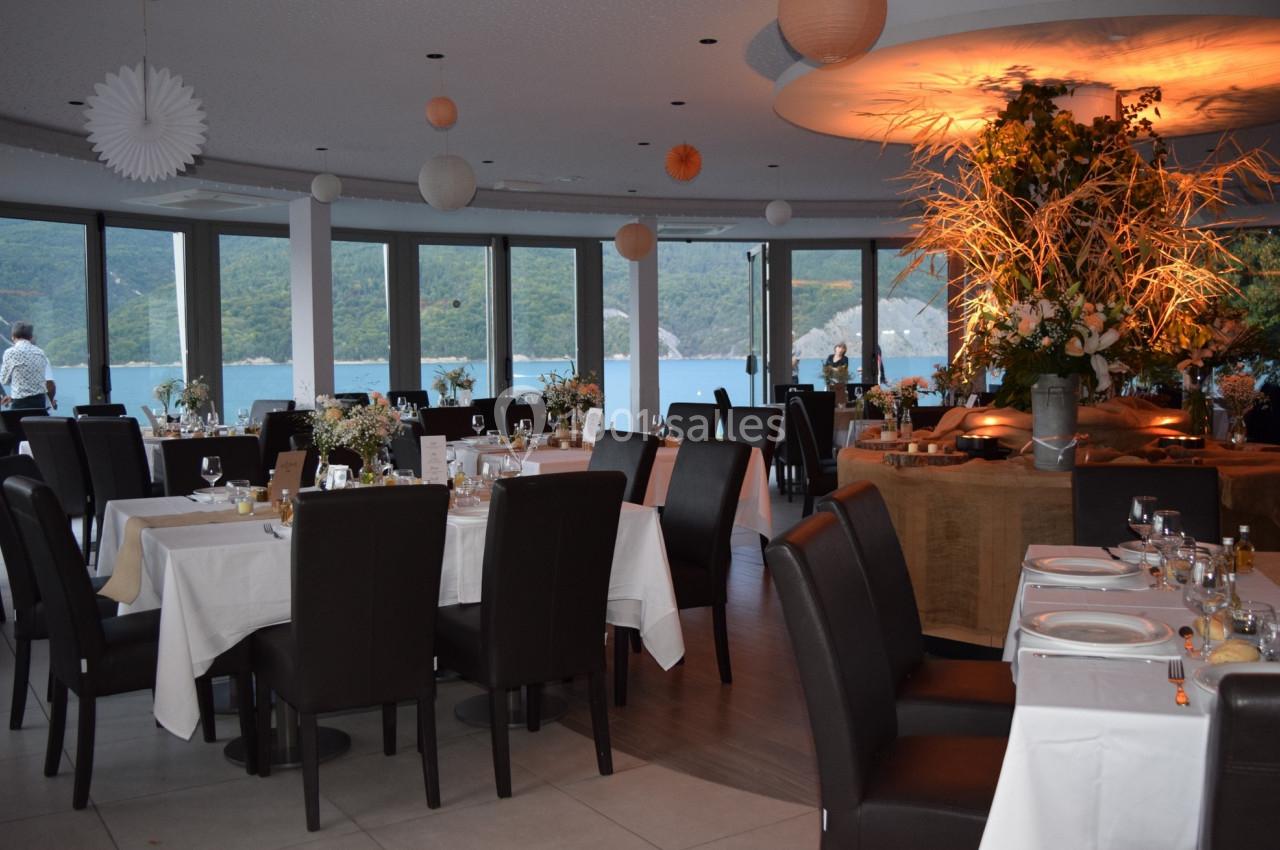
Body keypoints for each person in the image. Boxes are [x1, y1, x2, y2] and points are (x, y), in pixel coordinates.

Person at [1, 321, 56, 410]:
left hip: (20, 404)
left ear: (13, 337)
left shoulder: (10, 353)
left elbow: (4, 381)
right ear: (30, 337)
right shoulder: (40, 352)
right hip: (40, 403)